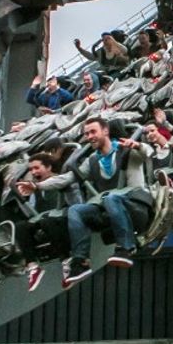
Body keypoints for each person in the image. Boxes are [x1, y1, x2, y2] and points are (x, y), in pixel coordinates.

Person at [62, 116, 153, 286]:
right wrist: (37, 186)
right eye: (87, 134)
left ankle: (126, 248)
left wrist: (138, 145)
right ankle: (81, 261)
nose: (89, 137)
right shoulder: (93, 160)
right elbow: (69, 178)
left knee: (111, 198)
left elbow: (148, 152)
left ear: (105, 131)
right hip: (111, 207)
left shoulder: (126, 149)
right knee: (76, 210)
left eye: (93, 132)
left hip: (135, 205)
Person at [14, 152, 82, 292]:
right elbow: (32, 212)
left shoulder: (61, 180)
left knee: (48, 222)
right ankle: (32, 266)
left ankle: (67, 261)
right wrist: (21, 197)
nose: (34, 172)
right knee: (20, 227)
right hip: (45, 219)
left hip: (63, 218)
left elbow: (76, 202)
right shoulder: (35, 188)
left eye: (37, 168)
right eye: (31, 169)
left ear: (48, 167)